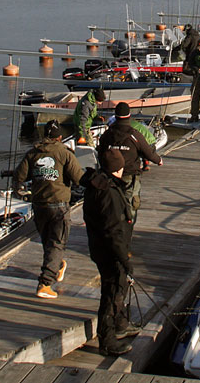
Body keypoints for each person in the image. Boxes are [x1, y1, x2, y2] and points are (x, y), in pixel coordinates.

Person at [13, 119, 84, 299]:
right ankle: (45, 283)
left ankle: (57, 266)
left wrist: (20, 190)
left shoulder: (32, 153)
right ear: (60, 137)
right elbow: (79, 179)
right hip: (59, 205)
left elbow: (19, 176)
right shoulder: (65, 154)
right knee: (57, 242)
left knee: (48, 241)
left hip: (39, 205)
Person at [80, 148, 140, 356]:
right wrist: (125, 260)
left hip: (99, 246)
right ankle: (107, 340)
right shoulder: (109, 193)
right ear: (118, 169)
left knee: (117, 288)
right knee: (111, 292)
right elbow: (113, 230)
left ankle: (121, 323)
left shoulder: (96, 185)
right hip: (109, 251)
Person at [97, 102, 164, 227]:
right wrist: (158, 160)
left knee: (110, 204)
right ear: (129, 116)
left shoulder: (107, 135)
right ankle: (127, 229)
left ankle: (111, 228)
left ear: (115, 116)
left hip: (109, 176)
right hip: (129, 176)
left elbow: (100, 152)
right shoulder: (135, 135)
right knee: (130, 205)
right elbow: (148, 152)